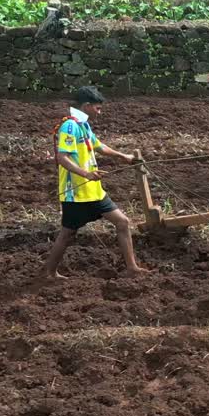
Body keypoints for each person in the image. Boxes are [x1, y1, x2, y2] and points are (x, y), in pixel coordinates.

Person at [38, 85, 148, 281]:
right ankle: (48, 272)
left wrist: (124, 156)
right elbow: (62, 157)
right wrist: (86, 174)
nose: (100, 112)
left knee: (122, 222)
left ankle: (132, 267)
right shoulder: (69, 126)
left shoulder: (84, 125)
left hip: (94, 191)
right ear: (87, 105)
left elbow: (98, 146)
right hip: (76, 192)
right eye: (97, 108)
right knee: (67, 234)